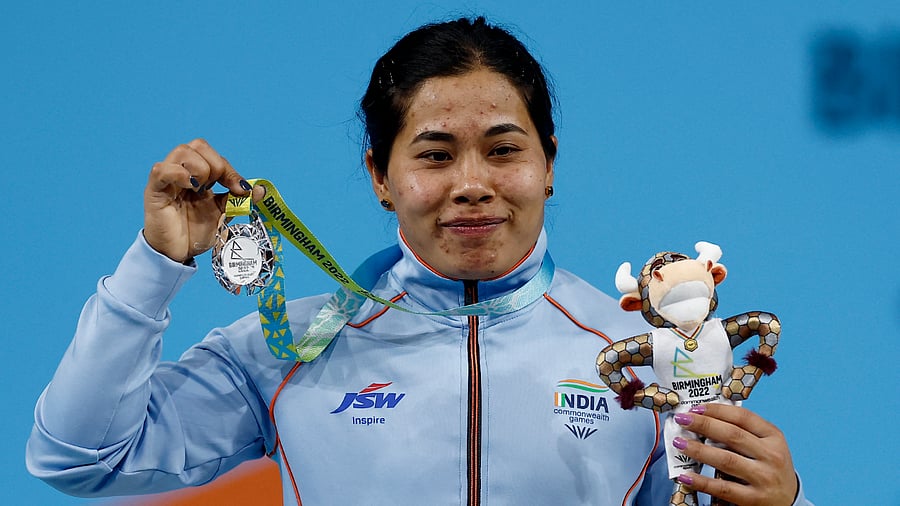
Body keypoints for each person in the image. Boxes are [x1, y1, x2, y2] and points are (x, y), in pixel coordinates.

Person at [26, 17, 811, 506]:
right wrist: (154, 264)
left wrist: (788, 501)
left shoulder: (641, 355)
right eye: (435, 154)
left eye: (504, 149)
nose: (472, 185)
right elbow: (79, 457)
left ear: (548, 164)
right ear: (380, 176)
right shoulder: (292, 350)